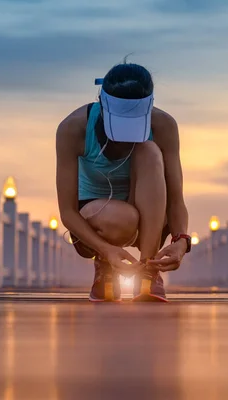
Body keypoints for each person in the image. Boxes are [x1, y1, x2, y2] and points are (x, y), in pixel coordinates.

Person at [55, 60, 191, 302]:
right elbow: (67, 211)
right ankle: (106, 265)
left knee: (148, 151)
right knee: (123, 217)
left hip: (153, 216)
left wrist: (181, 241)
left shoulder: (164, 125)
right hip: (100, 220)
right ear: (102, 104)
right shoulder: (73, 128)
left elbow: (176, 199)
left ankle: (149, 270)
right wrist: (106, 250)